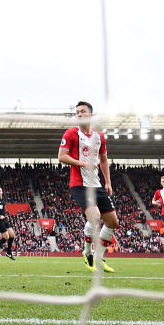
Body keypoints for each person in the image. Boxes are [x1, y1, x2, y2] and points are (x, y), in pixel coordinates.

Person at [57, 101, 117, 273]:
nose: (79, 114)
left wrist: (108, 182)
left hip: (97, 184)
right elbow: (61, 156)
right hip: (80, 185)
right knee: (95, 216)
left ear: (91, 114)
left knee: (113, 221)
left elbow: (104, 160)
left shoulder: (100, 136)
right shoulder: (71, 133)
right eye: (77, 112)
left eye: (83, 111)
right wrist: (82, 163)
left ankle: (100, 257)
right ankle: (87, 252)